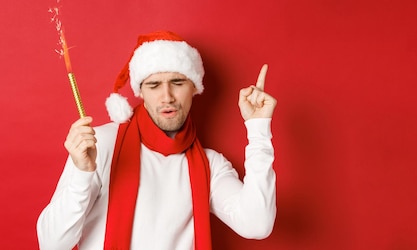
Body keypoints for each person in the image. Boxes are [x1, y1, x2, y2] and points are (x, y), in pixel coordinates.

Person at [37, 30, 277, 250]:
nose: (167, 96)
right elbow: (52, 244)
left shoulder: (210, 165)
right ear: (141, 92)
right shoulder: (99, 145)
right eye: (154, 85)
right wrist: (82, 173)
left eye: (177, 82)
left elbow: (257, 224)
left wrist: (258, 129)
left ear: (194, 88)